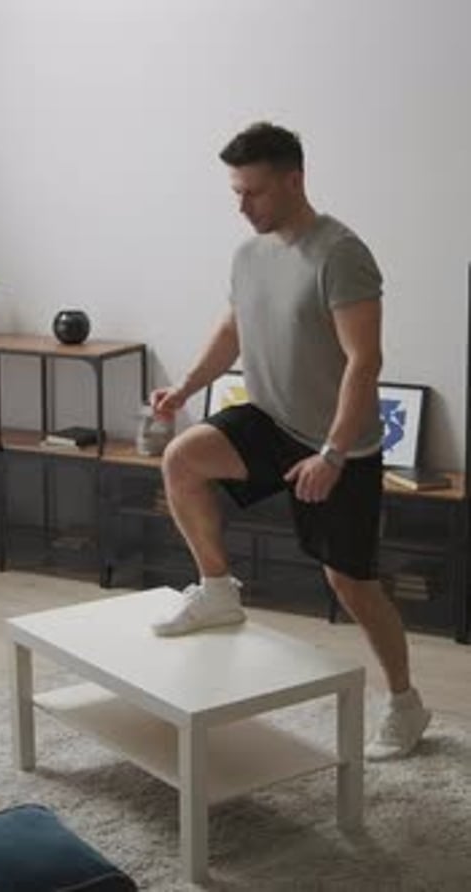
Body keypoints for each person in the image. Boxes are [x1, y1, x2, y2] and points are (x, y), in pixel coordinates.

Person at [150, 122, 431, 761]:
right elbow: (233, 331)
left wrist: (333, 453)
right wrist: (184, 389)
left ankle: (406, 704)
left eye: (253, 193)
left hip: (338, 444)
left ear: (294, 180)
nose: (242, 206)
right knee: (182, 458)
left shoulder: (341, 253)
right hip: (270, 419)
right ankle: (217, 590)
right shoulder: (249, 254)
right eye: (236, 193)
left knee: (351, 583)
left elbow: (365, 361)